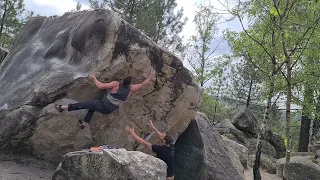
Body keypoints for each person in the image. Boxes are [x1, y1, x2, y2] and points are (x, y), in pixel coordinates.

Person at [55, 71, 155, 129]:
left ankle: (62, 108)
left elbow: (100, 85)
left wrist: (93, 78)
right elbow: (143, 84)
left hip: (103, 105)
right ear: (129, 84)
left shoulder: (116, 84)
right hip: (109, 110)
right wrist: (151, 75)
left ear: (122, 80)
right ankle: (84, 123)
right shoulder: (131, 89)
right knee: (92, 106)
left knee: (84, 104)